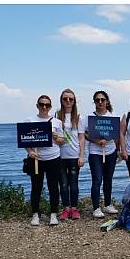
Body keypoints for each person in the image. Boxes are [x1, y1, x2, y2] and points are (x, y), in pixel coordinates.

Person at [25, 95, 65, 226]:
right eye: (41, 104)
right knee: (36, 187)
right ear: (37, 105)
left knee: (53, 187)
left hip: (53, 157)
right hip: (37, 159)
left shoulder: (57, 122)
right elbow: (25, 139)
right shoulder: (30, 120)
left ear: (50, 107)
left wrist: (56, 137)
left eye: (47, 105)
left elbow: (62, 141)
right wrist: (30, 152)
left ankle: (53, 214)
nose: (44, 107)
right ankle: (35, 214)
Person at [84, 91, 120, 219]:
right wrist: (96, 141)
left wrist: (117, 149)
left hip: (110, 151)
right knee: (97, 179)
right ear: (94, 102)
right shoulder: (89, 117)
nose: (100, 102)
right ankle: (96, 207)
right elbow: (84, 134)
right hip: (95, 152)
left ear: (107, 101)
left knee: (108, 179)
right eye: (97, 100)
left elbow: (117, 134)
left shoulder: (113, 116)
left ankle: (108, 204)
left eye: (102, 99)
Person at [55, 88, 85, 221]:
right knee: (63, 183)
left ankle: (74, 209)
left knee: (73, 183)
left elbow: (82, 138)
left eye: (70, 99)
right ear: (61, 100)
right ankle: (66, 209)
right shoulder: (56, 116)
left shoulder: (79, 117)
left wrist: (82, 156)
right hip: (60, 156)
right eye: (65, 98)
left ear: (74, 101)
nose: (68, 101)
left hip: (74, 155)